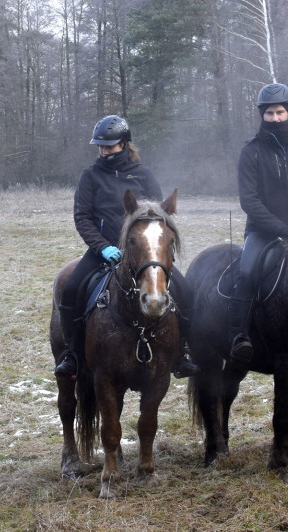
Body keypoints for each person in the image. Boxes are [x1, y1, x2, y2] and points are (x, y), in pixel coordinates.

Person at [54, 114, 199, 379]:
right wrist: (102, 248)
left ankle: (181, 354)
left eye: (109, 145)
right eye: (100, 145)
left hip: (143, 253)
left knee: (187, 291)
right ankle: (73, 355)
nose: (103, 150)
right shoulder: (90, 176)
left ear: (124, 144)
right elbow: (82, 217)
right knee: (72, 289)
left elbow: (159, 214)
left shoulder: (143, 174)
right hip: (105, 251)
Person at [229, 83, 288, 365]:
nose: (275, 118)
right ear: (262, 115)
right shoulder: (251, 152)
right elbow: (249, 200)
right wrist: (281, 229)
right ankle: (238, 335)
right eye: (269, 113)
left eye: (280, 112)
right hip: (261, 232)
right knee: (246, 273)